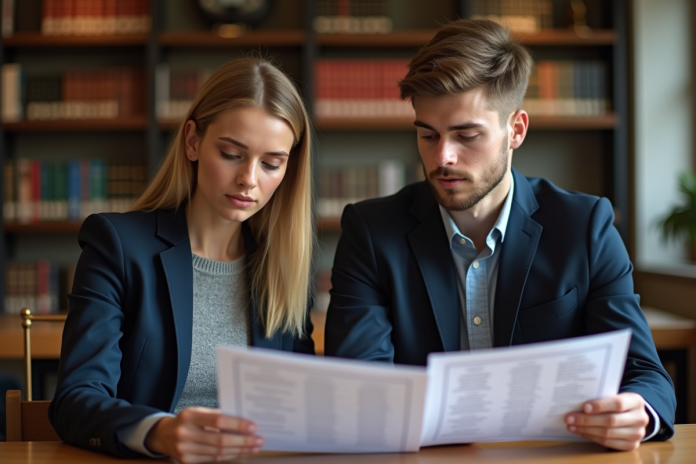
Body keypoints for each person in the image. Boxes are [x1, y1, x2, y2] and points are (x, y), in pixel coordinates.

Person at [324, 19, 676, 451]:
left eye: (466, 135)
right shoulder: (371, 231)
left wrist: (637, 410)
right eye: (427, 135)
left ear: (517, 130)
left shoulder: (586, 226)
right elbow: (359, 386)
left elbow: (645, 372)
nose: (443, 157)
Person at [49, 57, 315, 462]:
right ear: (193, 141)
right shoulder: (118, 245)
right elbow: (75, 400)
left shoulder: (285, 267)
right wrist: (159, 431)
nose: (249, 179)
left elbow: (301, 405)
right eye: (231, 154)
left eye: (271, 164)